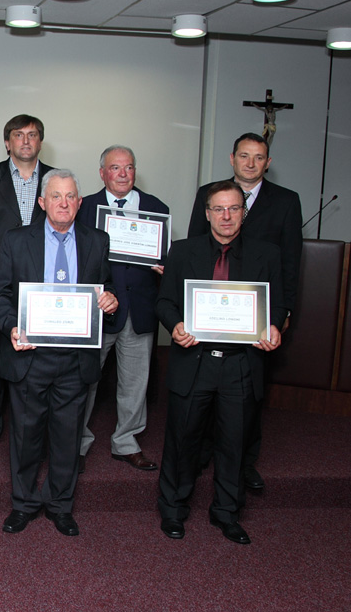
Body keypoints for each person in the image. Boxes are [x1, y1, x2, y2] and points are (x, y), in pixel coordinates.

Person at [157, 181, 286, 544]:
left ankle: (227, 512)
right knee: (182, 439)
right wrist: (176, 325)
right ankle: (173, 509)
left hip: (241, 364)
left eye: (234, 209)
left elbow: (277, 304)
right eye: (219, 209)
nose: (226, 216)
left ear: (244, 214)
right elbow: (164, 302)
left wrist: (274, 325)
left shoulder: (268, 254)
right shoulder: (183, 251)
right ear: (207, 213)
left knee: (234, 441)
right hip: (193, 359)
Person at [0, 169, 117, 537]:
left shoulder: (98, 240)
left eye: (71, 197)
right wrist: (11, 326)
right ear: (43, 203)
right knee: (26, 435)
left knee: (67, 437)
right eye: (56, 196)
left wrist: (109, 299)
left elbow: (104, 286)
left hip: (76, 357)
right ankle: (24, 503)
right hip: (30, 354)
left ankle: (60, 505)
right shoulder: (16, 240)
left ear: (80, 202)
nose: (64, 203)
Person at [186, 132, 302, 491]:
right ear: (232, 158)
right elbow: (193, 246)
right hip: (208, 312)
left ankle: (243, 461)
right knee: (201, 386)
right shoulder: (209, 192)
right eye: (245, 156)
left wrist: (280, 314)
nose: (251, 163)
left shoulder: (286, 201)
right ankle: (203, 451)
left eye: (259, 157)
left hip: (253, 318)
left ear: (267, 163)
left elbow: (290, 264)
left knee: (249, 393)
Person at [0, 115, 56, 457]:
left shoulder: (55, 179)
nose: (26, 141)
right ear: (7, 142)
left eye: (32, 135)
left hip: (43, 291)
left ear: (40, 141)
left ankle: (37, 433)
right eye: (18, 135)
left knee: (39, 365)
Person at [76, 146, 169, 473]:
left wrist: (163, 266)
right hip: (98, 311)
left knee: (135, 383)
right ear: (102, 173)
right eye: (115, 168)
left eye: (129, 167)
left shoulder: (157, 208)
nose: (123, 174)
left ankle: (126, 441)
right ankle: (77, 442)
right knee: (84, 380)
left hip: (140, 309)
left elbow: (166, 258)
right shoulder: (84, 207)